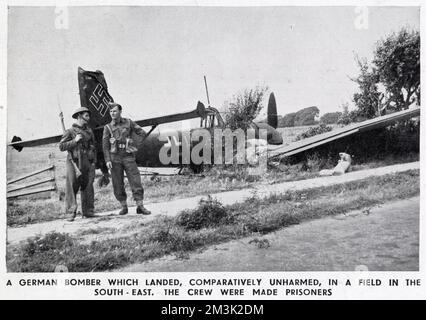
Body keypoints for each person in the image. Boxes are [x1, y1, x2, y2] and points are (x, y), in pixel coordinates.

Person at [102, 102, 151, 216]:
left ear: (120, 111)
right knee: (117, 183)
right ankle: (124, 206)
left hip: (128, 156)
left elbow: (142, 133)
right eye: (111, 111)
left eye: (114, 111)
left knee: (135, 180)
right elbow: (105, 146)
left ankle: (140, 206)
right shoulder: (107, 127)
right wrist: (107, 160)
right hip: (115, 158)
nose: (112, 113)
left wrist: (134, 144)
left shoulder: (129, 122)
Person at [59, 107, 97, 221]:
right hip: (74, 161)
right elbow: (61, 146)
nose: (88, 118)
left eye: (88, 116)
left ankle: (88, 211)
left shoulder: (89, 131)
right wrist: (74, 141)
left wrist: (93, 162)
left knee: (88, 185)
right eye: (86, 116)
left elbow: (94, 147)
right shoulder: (70, 131)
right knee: (72, 185)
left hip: (87, 161)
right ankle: (70, 213)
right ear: (79, 116)